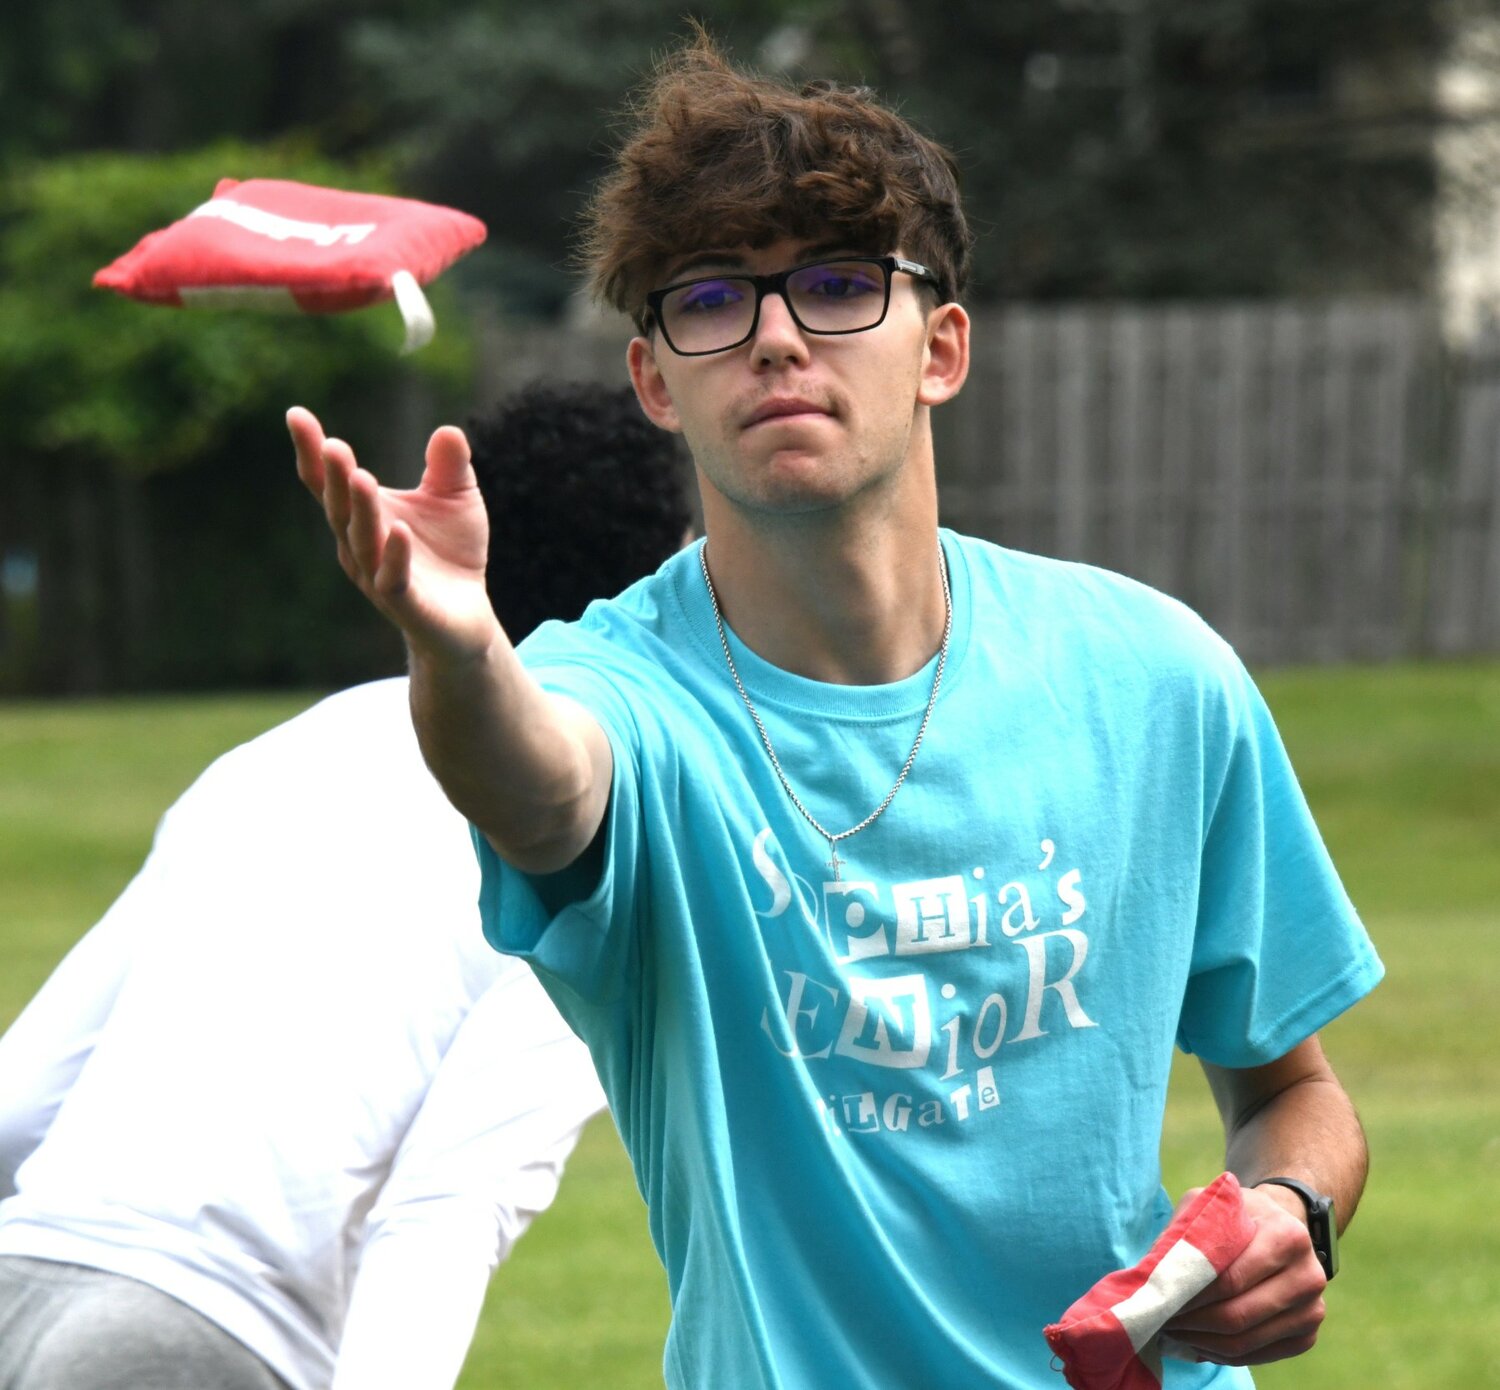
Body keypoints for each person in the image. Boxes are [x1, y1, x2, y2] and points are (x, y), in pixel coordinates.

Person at [287, 33, 1384, 1390]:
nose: (776, 336)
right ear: (653, 381)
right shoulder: (619, 693)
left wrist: (1291, 1212)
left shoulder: (1159, 678)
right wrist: (456, 652)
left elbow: (1293, 1091)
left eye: (837, 285)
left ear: (942, 347)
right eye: (710, 300)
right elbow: (541, 784)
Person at [0, 380, 693, 1390]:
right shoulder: (589, 842)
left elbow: (21, 1093)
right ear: (657, 583)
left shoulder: (282, 753)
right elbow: (446, 1210)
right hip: (188, 1339)